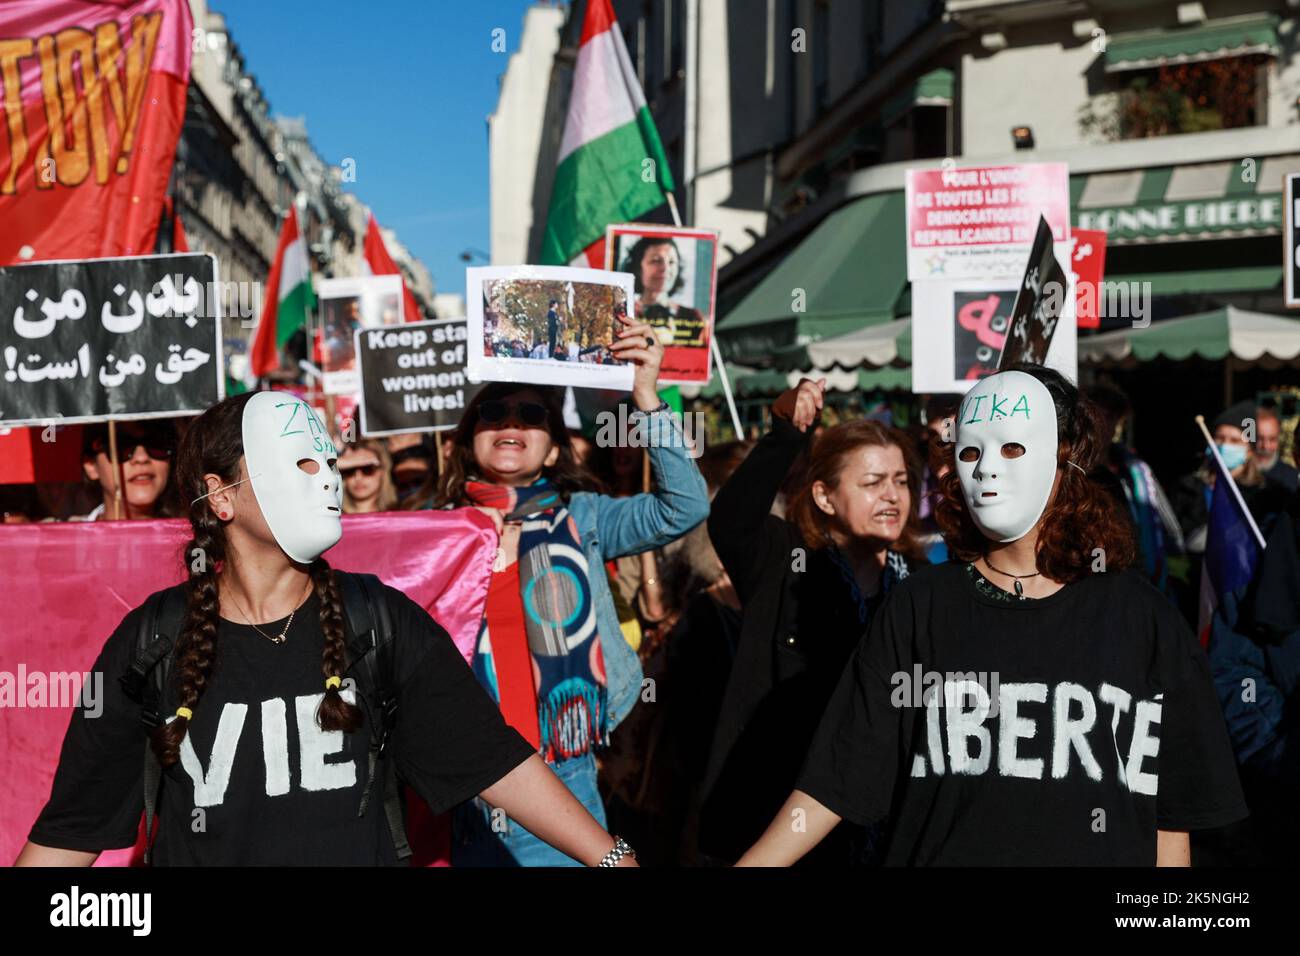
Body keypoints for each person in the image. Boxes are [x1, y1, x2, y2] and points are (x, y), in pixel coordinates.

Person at [16, 391, 637, 867]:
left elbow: (493, 761)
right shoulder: (152, 641)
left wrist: (614, 858)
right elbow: (74, 828)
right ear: (221, 496)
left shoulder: (380, 622)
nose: (329, 478)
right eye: (303, 462)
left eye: (331, 462)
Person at [737, 366, 1248, 866]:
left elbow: (1169, 819)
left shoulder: (1143, 619)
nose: (986, 468)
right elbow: (838, 778)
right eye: (970, 450)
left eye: (1012, 447)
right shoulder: (921, 606)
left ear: (1063, 456)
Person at [416, 313, 709, 866]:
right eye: (492, 412)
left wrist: (646, 395)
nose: (511, 421)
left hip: (563, 772)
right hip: (466, 780)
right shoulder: (433, 534)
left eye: (531, 414)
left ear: (552, 450)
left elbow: (687, 506)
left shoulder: (585, 518)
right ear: (463, 442)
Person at [698, 377, 926, 865]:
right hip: (778, 818)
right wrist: (785, 432)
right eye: (871, 483)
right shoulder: (785, 561)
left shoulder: (923, 584)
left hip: (884, 824)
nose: (891, 496)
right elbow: (730, 521)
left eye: (901, 481)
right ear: (824, 497)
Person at [1085, 383, 1184, 599]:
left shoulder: (1137, 472)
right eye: (1096, 415)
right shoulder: (1073, 473)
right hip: (1094, 582)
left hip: (1139, 580)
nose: (1103, 425)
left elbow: (1167, 528)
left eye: (1110, 417)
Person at [71, 420, 179, 521]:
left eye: (156, 443)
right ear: (91, 466)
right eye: (122, 446)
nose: (142, 458)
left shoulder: (192, 536)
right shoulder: (68, 539)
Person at [621, 236, 705, 348]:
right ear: (638, 267)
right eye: (656, 260)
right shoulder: (624, 314)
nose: (665, 268)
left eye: (671, 262)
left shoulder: (693, 317)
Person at [339, 439, 398, 513]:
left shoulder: (401, 516)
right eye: (350, 470)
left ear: (383, 471)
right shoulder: (328, 515)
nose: (358, 478)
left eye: (367, 469)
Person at [1255, 406, 1298, 493]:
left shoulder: (1292, 479)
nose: (1265, 446)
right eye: (1259, 438)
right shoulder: (1236, 477)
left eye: (1272, 439)